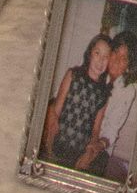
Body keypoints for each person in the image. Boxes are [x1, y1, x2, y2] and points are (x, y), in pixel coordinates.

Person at [43, 33, 110, 169]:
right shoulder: (73, 75)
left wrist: (88, 154)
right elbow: (56, 110)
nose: (101, 60)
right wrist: (48, 145)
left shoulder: (104, 93)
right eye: (97, 53)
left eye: (106, 57)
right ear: (89, 54)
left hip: (78, 153)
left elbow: (96, 129)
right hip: (56, 143)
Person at [98, 32, 137, 182]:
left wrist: (95, 148)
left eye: (124, 58)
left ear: (129, 67)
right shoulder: (97, 72)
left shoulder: (127, 91)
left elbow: (111, 130)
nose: (116, 60)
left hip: (101, 148)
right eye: (116, 53)